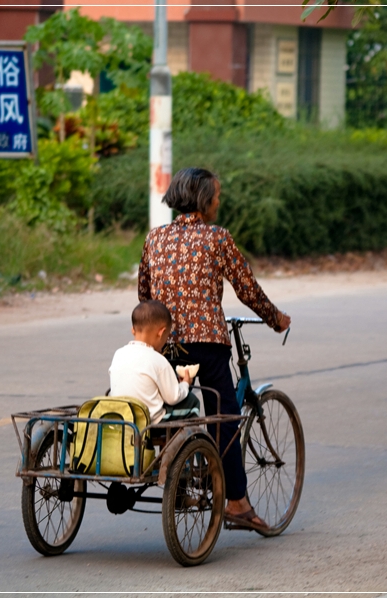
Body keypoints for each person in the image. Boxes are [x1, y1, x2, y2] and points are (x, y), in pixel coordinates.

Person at [138, 167, 291, 532]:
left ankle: (175, 477)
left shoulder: (154, 238)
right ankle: (237, 503)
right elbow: (247, 289)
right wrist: (276, 319)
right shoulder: (217, 237)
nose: (219, 202)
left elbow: (144, 296)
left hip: (164, 343)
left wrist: (157, 336)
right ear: (205, 201)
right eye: (217, 196)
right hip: (207, 344)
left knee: (172, 412)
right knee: (225, 421)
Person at [109, 300, 200, 424]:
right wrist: (185, 384)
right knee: (191, 401)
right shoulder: (158, 360)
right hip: (151, 420)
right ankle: (185, 436)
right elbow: (173, 397)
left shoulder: (118, 354)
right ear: (161, 333)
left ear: (133, 330)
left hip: (122, 418)